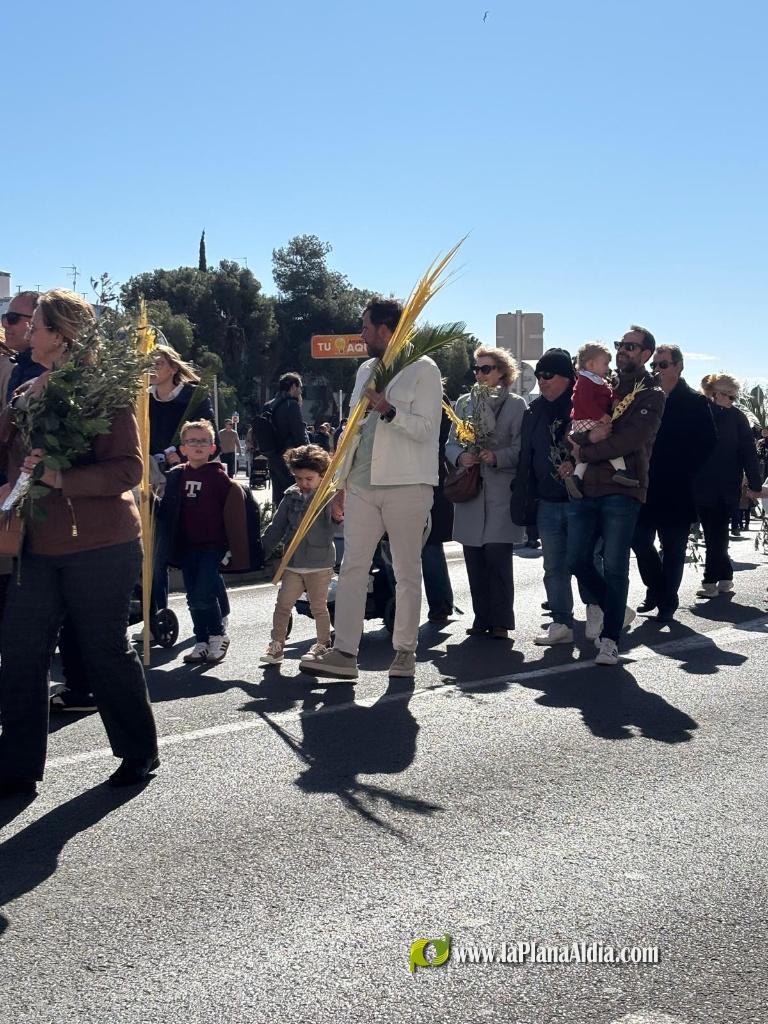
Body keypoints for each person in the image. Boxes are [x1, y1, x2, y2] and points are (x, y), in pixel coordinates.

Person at [0, 289, 159, 796]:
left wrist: (61, 478)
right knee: (21, 651)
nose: (26, 331)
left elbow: (129, 469)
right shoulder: (27, 391)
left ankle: (138, 753)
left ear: (61, 334)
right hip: (38, 547)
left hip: (101, 545)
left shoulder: (101, 392)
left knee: (104, 649)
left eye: (36, 324)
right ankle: (18, 767)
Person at [299, 297, 442, 681]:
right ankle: (345, 653)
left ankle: (404, 652)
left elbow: (428, 430)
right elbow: (351, 431)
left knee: (407, 571)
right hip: (362, 485)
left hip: (407, 486)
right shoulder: (365, 370)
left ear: (385, 328)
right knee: (351, 570)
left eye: (365, 327)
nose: (361, 334)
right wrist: (341, 484)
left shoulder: (424, 369)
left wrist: (389, 410)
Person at [565, 326, 665, 666]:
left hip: (623, 489)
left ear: (646, 354)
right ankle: (615, 609)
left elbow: (631, 439)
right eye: (620, 344)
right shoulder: (600, 383)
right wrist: (578, 447)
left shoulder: (651, 393)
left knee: (616, 565)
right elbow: (576, 425)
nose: (623, 350)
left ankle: (610, 640)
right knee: (575, 560)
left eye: (631, 346)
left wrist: (586, 449)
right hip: (586, 487)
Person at [511, 348, 601, 644]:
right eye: (539, 375)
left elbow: (601, 446)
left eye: (548, 375)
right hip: (546, 503)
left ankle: (597, 612)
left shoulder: (584, 406)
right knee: (553, 566)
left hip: (582, 500)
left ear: (567, 377)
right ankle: (561, 622)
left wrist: (576, 463)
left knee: (584, 561)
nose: (542, 380)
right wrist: (524, 497)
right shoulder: (534, 411)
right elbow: (527, 457)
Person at [445, 346, 527, 640]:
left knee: (497, 556)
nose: (480, 374)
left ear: (502, 372)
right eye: (477, 369)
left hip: (501, 491)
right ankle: (481, 619)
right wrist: (460, 458)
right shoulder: (464, 402)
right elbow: (451, 443)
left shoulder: (516, 405)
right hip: (472, 490)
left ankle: (502, 621)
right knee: (474, 557)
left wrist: (497, 457)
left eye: (486, 369)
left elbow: (521, 448)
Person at [631, 346, 717, 621]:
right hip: (645, 485)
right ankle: (658, 589)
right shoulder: (645, 396)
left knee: (673, 548)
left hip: (678, 488)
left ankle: (667, 601)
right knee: (639, 541)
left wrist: (686, 470)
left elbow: (708, 442)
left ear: (679, 366)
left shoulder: (693, 401)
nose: (658, 370)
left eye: (664, 364)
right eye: (655, 365)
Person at [157, 419, 251, 665]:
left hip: (213, 545)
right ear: (183, 448)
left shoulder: (219, 477)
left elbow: (234, 508)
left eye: (203, 441)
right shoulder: (177, 476)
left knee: (203, 594)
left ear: (212, 447)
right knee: (192, 596)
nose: (198, 445)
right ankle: (201, 640)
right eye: (192, 441)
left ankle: (218, 635)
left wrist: (232, 546)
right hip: (188, 546)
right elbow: (168, 508)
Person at [148, 345, 218, 620]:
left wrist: (173, 453)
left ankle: (218, 612)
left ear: (173, 367)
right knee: (155, 552)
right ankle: (156, 615)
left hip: (189, 479)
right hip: (152, 482)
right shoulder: (144, 399)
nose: (152, 369)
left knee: (195, 552)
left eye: (158, 363)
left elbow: (206, 435)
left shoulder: (193, 398)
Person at [259, 445, 341, 665]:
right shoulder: (291, 496)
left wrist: (338, 513)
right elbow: (276, 528)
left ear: (322, 476)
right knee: (283, 605)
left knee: (318, 607)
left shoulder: (329, 498)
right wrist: (260, 553)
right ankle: (276, 645)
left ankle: (323, 644)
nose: (304, 483)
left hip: (319, 563)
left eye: (309, 479)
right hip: (293, 562)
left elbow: (338, 525)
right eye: (299, 478)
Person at [693, 373, 763, 597]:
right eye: (729, 396)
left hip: (726, 485)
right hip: (700, 483)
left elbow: (748, 453)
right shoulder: (699, 415)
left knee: (718, 532)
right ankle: (725, 576)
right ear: (715, 394)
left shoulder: (738, 418)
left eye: (735, 397)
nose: (733, 401)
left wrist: (755, 482)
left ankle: (710, 580)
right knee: (713, 531)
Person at [566, 341, 637, 498]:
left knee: (585, 455)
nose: (607, 368)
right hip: (586, 420)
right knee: (608, 441)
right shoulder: (584, 382)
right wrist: (601, 415)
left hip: (588, 420)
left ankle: (577, 478)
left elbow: (608, 393)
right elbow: (585, 402)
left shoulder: (597, 380)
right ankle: (621, 471)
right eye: (605, 364)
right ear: (591, 364)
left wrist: (615, 399)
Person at [421, 399, 456, 623]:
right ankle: (441, 603)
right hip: (429, 481)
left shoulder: (437, 405)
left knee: (429, 546)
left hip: (428, 483)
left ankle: (440, 603)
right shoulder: (441, 404)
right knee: (429, 547)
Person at [263, 373, 310, 506]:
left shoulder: (269, 405)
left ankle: (277, 522)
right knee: (292, 495)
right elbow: (298, 434)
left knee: (277, 496)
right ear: (294, 386)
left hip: (272, 456)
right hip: (289, 457)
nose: (300, 391)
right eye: (300, 387)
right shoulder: (291, 405)